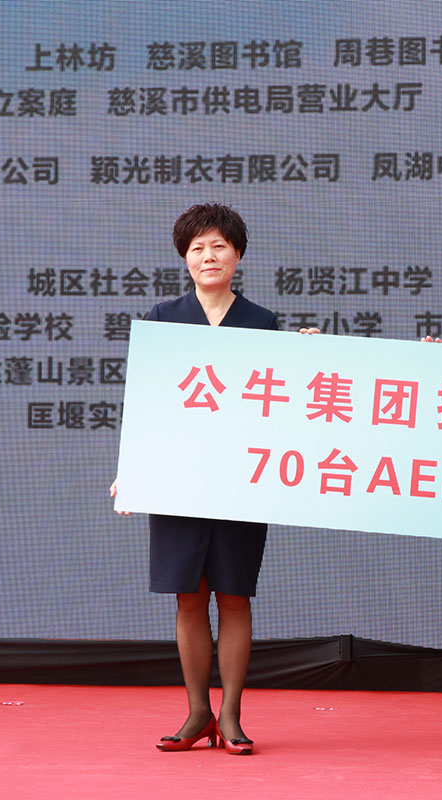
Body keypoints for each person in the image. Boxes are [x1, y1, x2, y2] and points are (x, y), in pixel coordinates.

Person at [109, 203, 292, 756]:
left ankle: (230, 716)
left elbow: (283, 404)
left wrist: (307, 356)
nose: (208, 257)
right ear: (184, 259)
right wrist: (131, 470)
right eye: (197, 248)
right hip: (177, 480)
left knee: (234, 596)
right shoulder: (163, 319)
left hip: (241, 480)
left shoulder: (262, 323)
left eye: (219, 246)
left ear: (238, 254)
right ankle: (197, 713)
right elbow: (147, 402)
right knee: (189, 598)